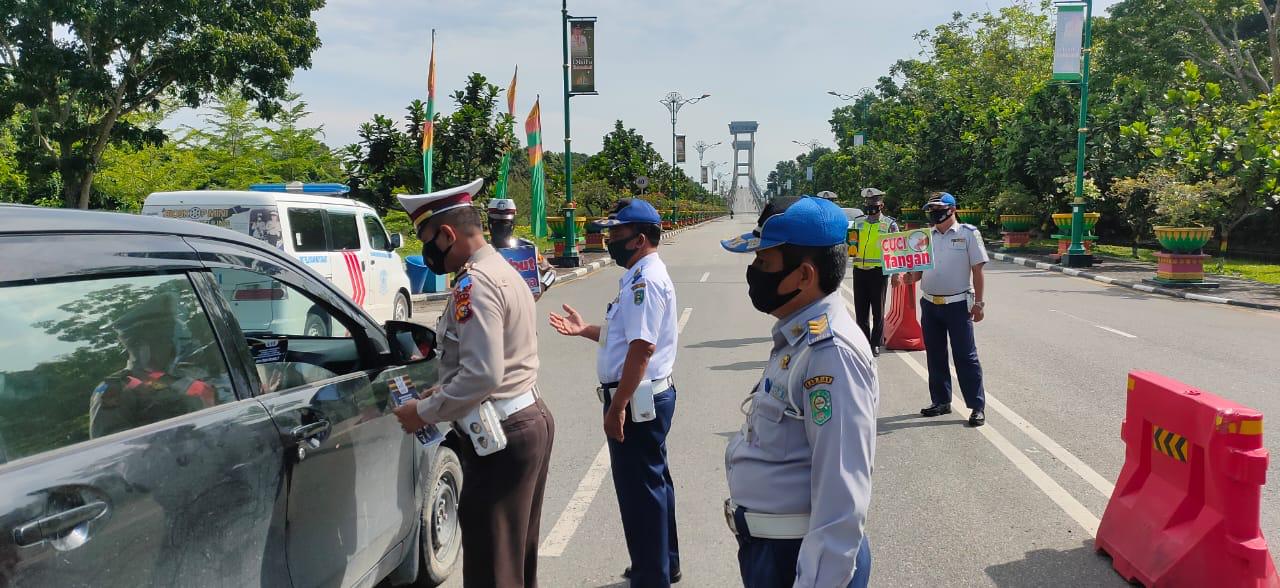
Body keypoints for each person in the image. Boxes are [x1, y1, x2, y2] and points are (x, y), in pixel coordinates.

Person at [391, 178, 555, 588]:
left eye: (428, 240)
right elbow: (480, 362)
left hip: (501, 435)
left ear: (447, 234)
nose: (427, 252)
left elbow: (483, 373)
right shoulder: (499, 268)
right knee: (514, 558)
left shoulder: (475, 283)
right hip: (522, 419)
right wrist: (443, 391)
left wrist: (423, 411)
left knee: (491, 564)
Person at [720, 195, 877, 588]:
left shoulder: (831, 354)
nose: (754, 272)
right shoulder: (800, 337)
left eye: (764, 262)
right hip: (775, 548)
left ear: (805, 275)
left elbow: (842, 492)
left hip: (796, 556)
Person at [548, 198, 681, 587]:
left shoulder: (644, 281)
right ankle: (662, 564)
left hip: (637, 399)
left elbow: (642, 348)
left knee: (640, 493)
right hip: (645, 396)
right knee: (654, 485)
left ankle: (650, 576)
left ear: (639, 239)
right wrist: (585, 329)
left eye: (616, 234)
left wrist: (617, 406)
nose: (608, 240)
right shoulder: (640, 275)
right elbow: (624, 337)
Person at [902, 192, 989, 427]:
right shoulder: (924, 238)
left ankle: (976, 406)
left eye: (939, 208)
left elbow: (978, 271)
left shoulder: (968, 234)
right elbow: (918, 272)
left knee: (965, 356)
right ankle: (941, 401)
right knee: (935, 354)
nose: (934, 213)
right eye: (931, 209)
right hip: (930, 303)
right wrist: (908, 277)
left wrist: (979, 303)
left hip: (958, 305)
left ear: (952, 209)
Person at [90, 292, 224, 438]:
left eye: (171, 337)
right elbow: (113, 451)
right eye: (163, 339)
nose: (172, 345)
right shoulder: (114, 390)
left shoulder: (187, 374)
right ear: (140, 346)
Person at [849, 188, 901, 357]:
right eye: (869, 204)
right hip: (859, 271)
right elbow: (851, 247)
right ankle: (863, 342)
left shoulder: (889, 225)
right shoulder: (858, 223)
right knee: (861, 310)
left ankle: (875, 343)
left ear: (881, 205)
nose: (871, 208)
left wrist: (895, 274)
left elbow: (897, 251)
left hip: (878, 273)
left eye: (875, 205)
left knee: (878, 310)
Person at [487, 197, 557, 298]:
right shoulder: (482, 251)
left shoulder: (526, 249)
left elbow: (551, 271)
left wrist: (542, 286)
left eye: (505, 223)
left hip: (522, 307)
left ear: (512, 225)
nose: (501, 227)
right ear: (490, 224)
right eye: (496, 223)